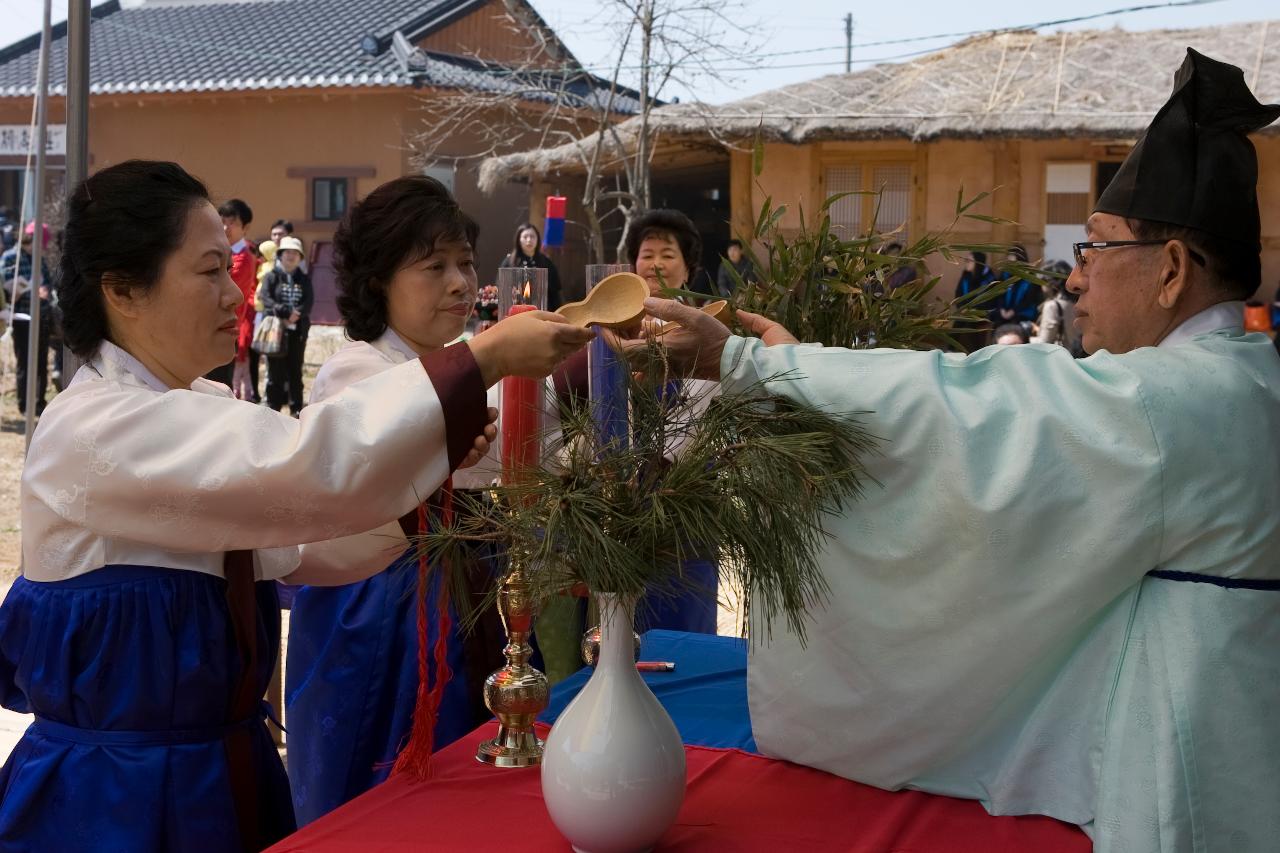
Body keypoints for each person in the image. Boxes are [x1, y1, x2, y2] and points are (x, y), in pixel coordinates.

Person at [622, 50, 1280, 850]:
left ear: (1171, 269)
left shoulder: (1172, 401)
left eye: (1095, 250)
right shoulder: (1242, 378)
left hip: (1196, 765)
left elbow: (961, 409)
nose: (1075, 283)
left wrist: (750, 365)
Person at [0, 159, 592, 853]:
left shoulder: (200, 405)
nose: (234, 294)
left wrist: (414, 490)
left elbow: (302, 543)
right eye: (210, 271)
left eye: (232, 269)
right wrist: (483, 359)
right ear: (124, 289)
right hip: (116, 799)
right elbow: (313, 465)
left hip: (217, 773)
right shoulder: (93, 425)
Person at [286, 176, 531, 824]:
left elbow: (513, 439)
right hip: (379, 615)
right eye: (434, 266)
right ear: (377, 284)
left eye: (465, 263)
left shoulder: (454, 359)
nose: (459, 282)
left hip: (462, 593)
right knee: (382, 794)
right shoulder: (357, 370)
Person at [623, 208, 718, 634]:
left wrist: (662, 464)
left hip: (685, 494)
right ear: (632, 266)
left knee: (683, 622)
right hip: (620, 495)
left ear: (688, 269)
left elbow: (705, 405)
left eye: (667, 254)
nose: (656, 264)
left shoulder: (706, 329)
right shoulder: (609, 327)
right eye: (647, 254)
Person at [204, 198, 258, 401]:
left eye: (232, 223)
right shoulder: (225, 253)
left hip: (226, 328)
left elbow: (217, 289)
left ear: (245, 227)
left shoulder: (243, 258)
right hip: (213, 328)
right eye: (222, 221)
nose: (226, 228)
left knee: (218, 388)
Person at [3, 222, 53, 416]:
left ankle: (39, 402)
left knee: (41, 360)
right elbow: (5, 286)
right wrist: (18, 291)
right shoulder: (10, 258)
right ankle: (24, 403)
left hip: (42, 314)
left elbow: (47, 280)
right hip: (22, 317)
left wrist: (45, 290)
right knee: (25, 360)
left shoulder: (38, 259)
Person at [259, 235, 312, 416]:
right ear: (280, 255)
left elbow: (309, 300)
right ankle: (273, 409)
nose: (291, 256)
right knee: (275, 372)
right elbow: (266, 298)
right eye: (287, 252)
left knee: (295, 371)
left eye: (295, 253)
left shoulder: (303, 278)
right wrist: (285, 312)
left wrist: (297, 313)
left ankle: (296, 409)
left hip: (297, 331)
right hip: (275, 330)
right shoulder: (271, 276)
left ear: (300, 257)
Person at [500, 222, 562, 310]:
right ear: (519, 239)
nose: (529, 240)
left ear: (537, 239)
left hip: (542, 311)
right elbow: (502, 290)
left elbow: (555, 293)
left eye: (532, 236)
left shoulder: (546, 262)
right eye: (525, 237)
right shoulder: (509, 262)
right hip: (515, 311)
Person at [987, 244, 1042, 334]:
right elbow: (999, 294)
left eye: (1012, 257)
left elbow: (1029, 299)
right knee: (997, 324)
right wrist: (1002, 309)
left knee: (1015, 328)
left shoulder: (1030, 276)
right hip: (1005, 312)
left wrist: (1013, 311)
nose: (1009, 260)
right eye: (1009, 257)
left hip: (1023, 313)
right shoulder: (1005, 275)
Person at [953, 251, 997, 351]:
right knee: (958, 321)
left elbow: (989, 300)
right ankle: (950, 349)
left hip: (983, 313)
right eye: (966, 261)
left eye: (969, 261)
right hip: (966, 312)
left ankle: (976, 352)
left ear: (978, 262)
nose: (966, 263)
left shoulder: (988, 278)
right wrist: (962, 308)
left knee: (971, 323)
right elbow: (958, 294)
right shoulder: (966, 276)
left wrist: (974, 311)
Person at [1030, 260, 1076, 348]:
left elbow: (1044, 343)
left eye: (1042, 280)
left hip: (1060, 358)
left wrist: (1023, 336)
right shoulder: (1077, 303)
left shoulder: (1052, 306)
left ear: (1050, 283)